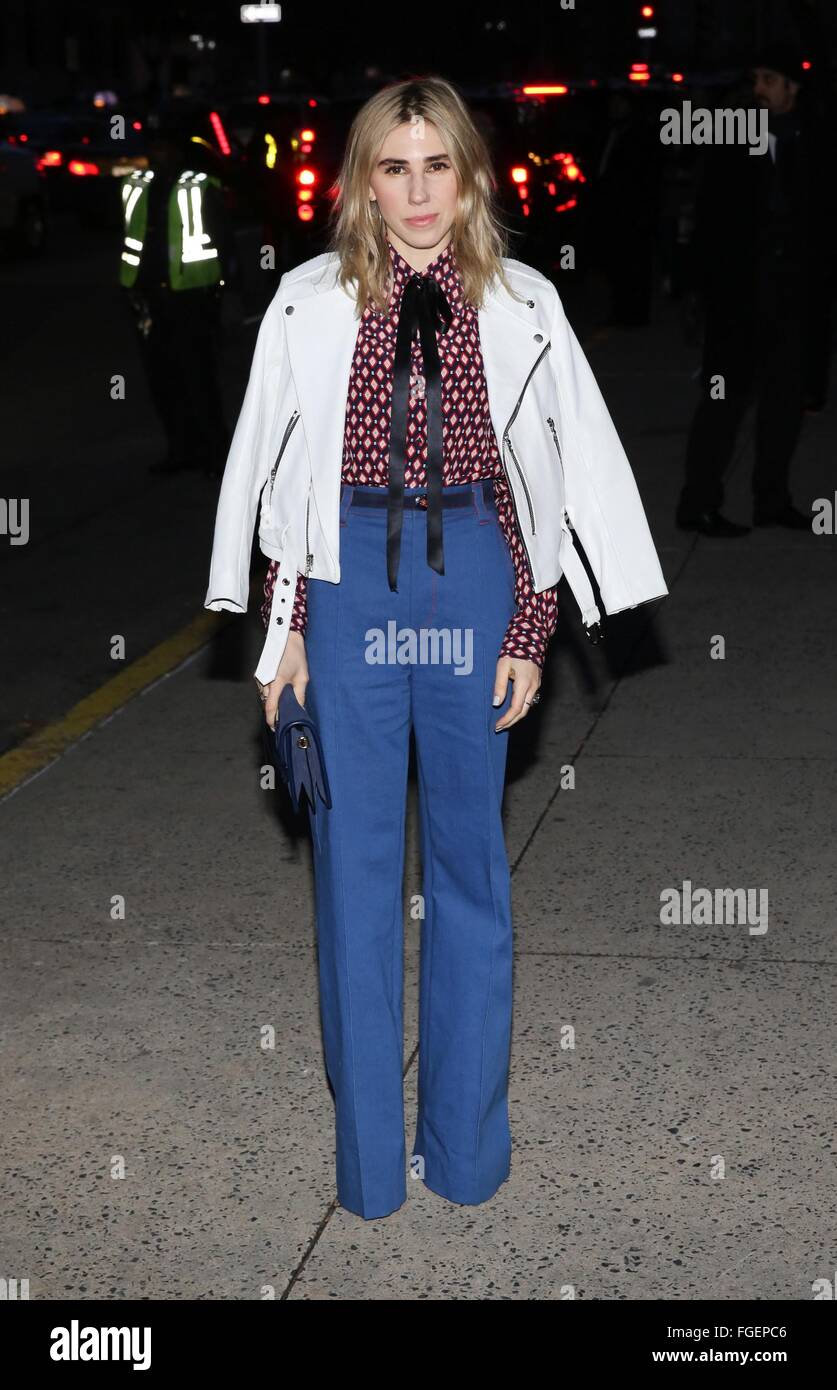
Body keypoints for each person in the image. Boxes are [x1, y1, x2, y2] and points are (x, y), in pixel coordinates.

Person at [205, 76, 667, 1220]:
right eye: (392, 167)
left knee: (471, 874)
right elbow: (277, 481)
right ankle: (369, 1170)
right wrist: (284, 633)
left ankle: (464, 1153)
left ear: (469, 175)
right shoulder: (310, 301)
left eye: (437, 165)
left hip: (473, 578)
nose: (416, 192)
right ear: (365, 179)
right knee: (353, 880)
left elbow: (550, 477)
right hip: (345, 579)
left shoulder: (522, 303)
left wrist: (530, 624)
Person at [677, 45, 829, 535]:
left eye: (770, 79)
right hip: (739, 302)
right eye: (756, 78)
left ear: (793, 87)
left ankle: (772, 500)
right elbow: (708, 219)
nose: (759, 88)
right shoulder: (735, 140)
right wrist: (697, 290)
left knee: (785, 408)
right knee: (722, 407)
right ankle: (698, 504)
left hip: (791, 302)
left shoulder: (809, 141)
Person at [120, 117, 230, 477]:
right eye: (154, 147)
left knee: (198, 379)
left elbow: (223, 241)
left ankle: (216, 455)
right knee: (162, 378)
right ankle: (180, 449)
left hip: (190, 298)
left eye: (165, 147)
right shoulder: (137, 186)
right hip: (149, 297)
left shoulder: (198, 187)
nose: (158, 154)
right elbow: (127, 237)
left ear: (179, 152)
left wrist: (224, 292)